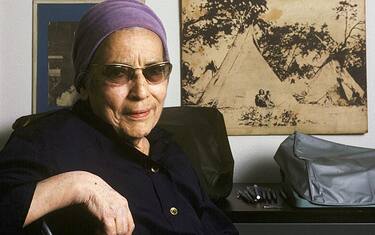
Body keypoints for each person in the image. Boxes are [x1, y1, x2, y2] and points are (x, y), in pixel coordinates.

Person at [0, 1, 238, 234]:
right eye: (117, 73)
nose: (141, 92)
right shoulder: (45, 140)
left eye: (154, 71)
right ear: (84, 84)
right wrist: (79, 186)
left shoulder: (170, 146)